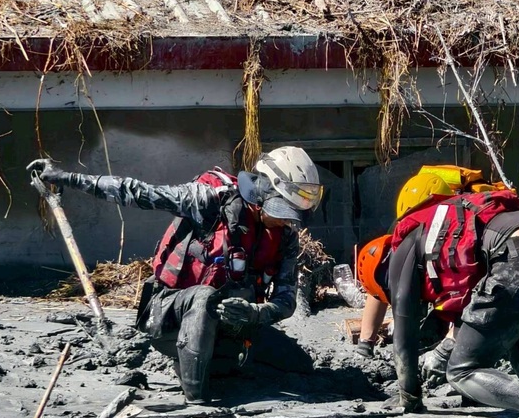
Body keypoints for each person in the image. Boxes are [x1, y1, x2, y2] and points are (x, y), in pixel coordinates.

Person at [27, 147, 323, 405]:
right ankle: (197, 400)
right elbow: (136, 191)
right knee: (205, 297)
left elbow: (286, 301)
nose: (287, 220)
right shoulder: (210, 201)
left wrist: (255, 313)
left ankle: (220, 364)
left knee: (298, 365)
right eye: (282, 210)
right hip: (170, 314)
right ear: (262, 192)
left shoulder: (284, 236)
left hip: (231, 322)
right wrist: (65, 178)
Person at [357, 188, 519, 418]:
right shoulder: (443, 230)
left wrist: (409, 396)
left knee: (461, 370)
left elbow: (405, 330)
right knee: (516, 329)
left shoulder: (400, 250)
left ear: (380, 271)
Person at [357, 168, 519, 382]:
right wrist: (365, 344)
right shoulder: (419, 227)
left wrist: (447, 350)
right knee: (516, 319)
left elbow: (475, 293)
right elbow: (382, 285)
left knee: (465, 365)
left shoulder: (468, 213)